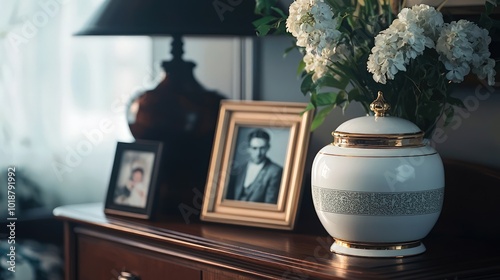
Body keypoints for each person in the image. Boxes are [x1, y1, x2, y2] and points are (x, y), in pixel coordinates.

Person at [225, 129, 283, 204]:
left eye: (262, 148)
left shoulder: (275, 171)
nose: (258, 153)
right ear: (248, 148)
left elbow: (270, 204)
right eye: (254, 148)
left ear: (268, 147)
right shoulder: (238, 169)